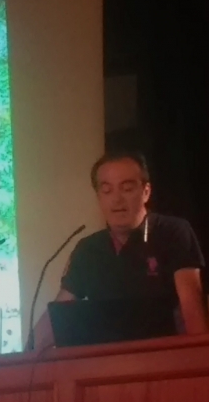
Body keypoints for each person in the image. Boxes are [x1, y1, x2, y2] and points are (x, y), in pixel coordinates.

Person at [34, 150, 208, 350]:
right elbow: (58, 313)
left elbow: (191, 304)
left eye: (127, 189)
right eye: (107, 191)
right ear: (98, 197)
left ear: (146, 192)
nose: (117, 199)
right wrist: (26, 354)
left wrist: (200, 358)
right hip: (107, 360)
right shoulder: (89, 248)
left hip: (165, 356)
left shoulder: (172, 232)